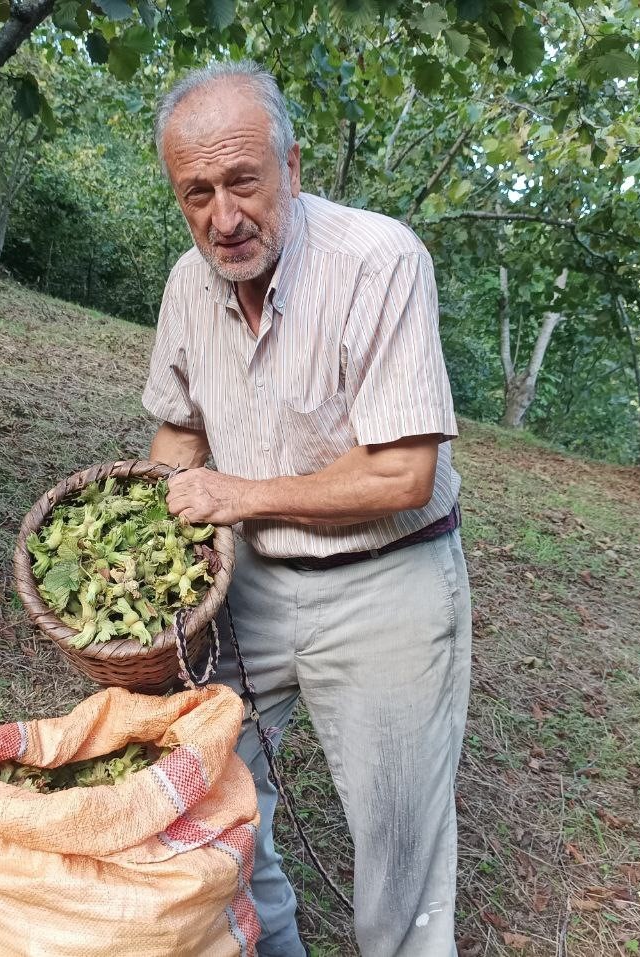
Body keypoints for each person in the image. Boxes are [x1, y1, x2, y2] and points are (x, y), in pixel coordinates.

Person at [141, 60, 473, 957]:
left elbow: (402, 473)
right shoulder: (187, 285)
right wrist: (139, 563)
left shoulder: (379, 260)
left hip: (387, 583)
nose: (224, 217)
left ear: (292, 163)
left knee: (398, 850)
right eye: (196, 193)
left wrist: (237, 496)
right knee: (215, 801)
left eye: (243, 180)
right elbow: (178, 440)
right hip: (244, 587)